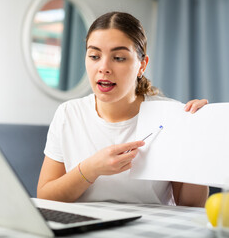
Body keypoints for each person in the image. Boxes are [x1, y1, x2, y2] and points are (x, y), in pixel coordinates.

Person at [37, 11, 209, 207]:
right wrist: (91, 168)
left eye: (118, 58)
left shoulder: (169, 115)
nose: (104, 67)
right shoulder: (68, 114)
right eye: (94, 56)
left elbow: (191, 206)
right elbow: (45, 196)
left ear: (142, 65)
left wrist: (196, 140)